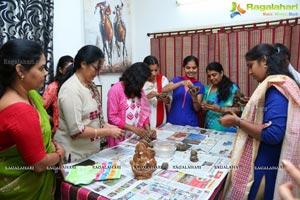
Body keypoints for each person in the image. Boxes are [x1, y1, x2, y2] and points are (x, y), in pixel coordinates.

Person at [219, 43, 300, 199]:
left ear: (264, 60)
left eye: (251, 66)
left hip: (266, 162)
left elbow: (273, 134)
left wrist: (237, 122)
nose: (249, 72)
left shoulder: (275, 90)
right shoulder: (277, 86)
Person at [0, 39, 65, 199]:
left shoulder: (31, 95)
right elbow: (38, 164)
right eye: (41, 68)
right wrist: (59, 154)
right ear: (20, 70)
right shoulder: (20, 111)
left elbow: (40, 129)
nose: (45, 73)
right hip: (25, 188)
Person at [54, 45, 124, 163]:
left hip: (90, 151)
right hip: (75, 153)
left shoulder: (90, 85)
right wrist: (108, 132)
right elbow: (77, 131)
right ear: (83, 64)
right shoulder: (71, 89)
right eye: (96, 68)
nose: (98, 73)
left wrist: (107, 126)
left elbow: (93, 118)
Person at [107, 62, 156, 147]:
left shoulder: (139, 90)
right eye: (142, 82)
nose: (142, 85)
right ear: (135, 79)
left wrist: (148, 131)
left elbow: (144, 112)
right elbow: (112, 117)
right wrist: (133, 129)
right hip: (120, 137)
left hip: (134, 137)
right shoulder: (115, 90)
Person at [162, 55, 204, 127]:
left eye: (194, 68)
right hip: (173, 121)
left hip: (191, 123)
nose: (191, 70)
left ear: (197, 68)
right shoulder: (177, 80)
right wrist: (181, 83)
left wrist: (194, 97)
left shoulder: (199, 86)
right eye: (188, 68)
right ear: (183, 68)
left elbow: (197, 109)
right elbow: (163, 90)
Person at [201, 62, 240, 132]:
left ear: (221, 73)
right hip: (210, 130)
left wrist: (220, 109)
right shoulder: (207, 89)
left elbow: (239, 109)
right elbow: (203, 113)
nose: (211, 78)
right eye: (209, 76)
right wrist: (204, 108)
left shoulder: (232, 88)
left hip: (228, 130)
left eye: (214, 75)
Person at [42, 55, 73, 136]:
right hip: (60, 134)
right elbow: (39, 109)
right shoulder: (53, 87)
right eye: (67, 69)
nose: (70, 72)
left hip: (76, 132)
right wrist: (53, 120)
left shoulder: (75, 86)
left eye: (72, 69)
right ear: (60, 70)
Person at [142, 55, 170, 129]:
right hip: (143, 124)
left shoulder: (163, 79)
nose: (154, 73)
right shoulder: (140, 81)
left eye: (156, 70)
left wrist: (165, 99)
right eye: (151, 71)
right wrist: (147, 96)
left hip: (161, 122)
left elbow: (168, 100)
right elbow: (135, 102)